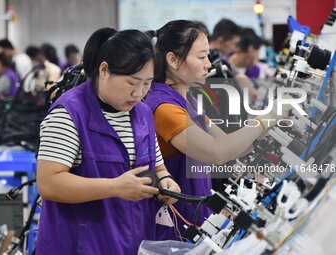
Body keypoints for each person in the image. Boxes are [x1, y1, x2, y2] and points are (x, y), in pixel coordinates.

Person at [36, 27, 180, 255]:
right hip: (82, 246)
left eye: (147, 83)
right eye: (132, 83)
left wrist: (165, 182)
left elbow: (157, 167)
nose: (139, 93)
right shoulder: (69, 114)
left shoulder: (142, 114)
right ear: (104, 70)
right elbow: (48, 183)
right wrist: (114, 187)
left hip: (134, 243)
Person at [145, 20, 288, 241]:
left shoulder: (188, 100)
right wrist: (265, 120)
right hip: (176, 229)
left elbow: (229, 144)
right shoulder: (164, 108)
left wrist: (272, 130)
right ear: (173, 60)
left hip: (199, 219)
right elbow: (216, 152)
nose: (208, 64)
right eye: (201, 57)